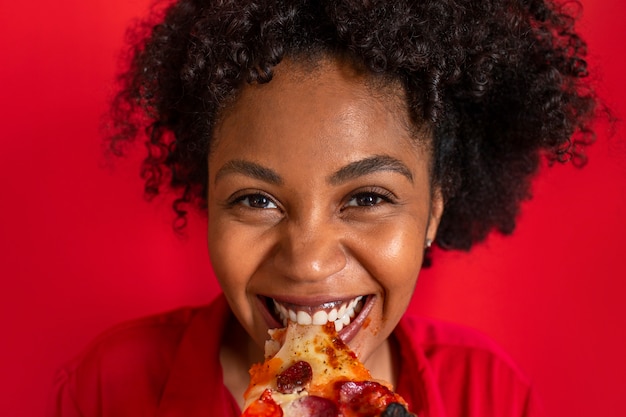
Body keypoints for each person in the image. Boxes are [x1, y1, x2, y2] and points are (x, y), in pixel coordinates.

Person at [50, 0, 600, 416]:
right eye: (257, 199)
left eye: (366, 198)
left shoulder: (489, 395)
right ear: (209, 199)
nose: (308, 262)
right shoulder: (111, 385)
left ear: (433, 211)